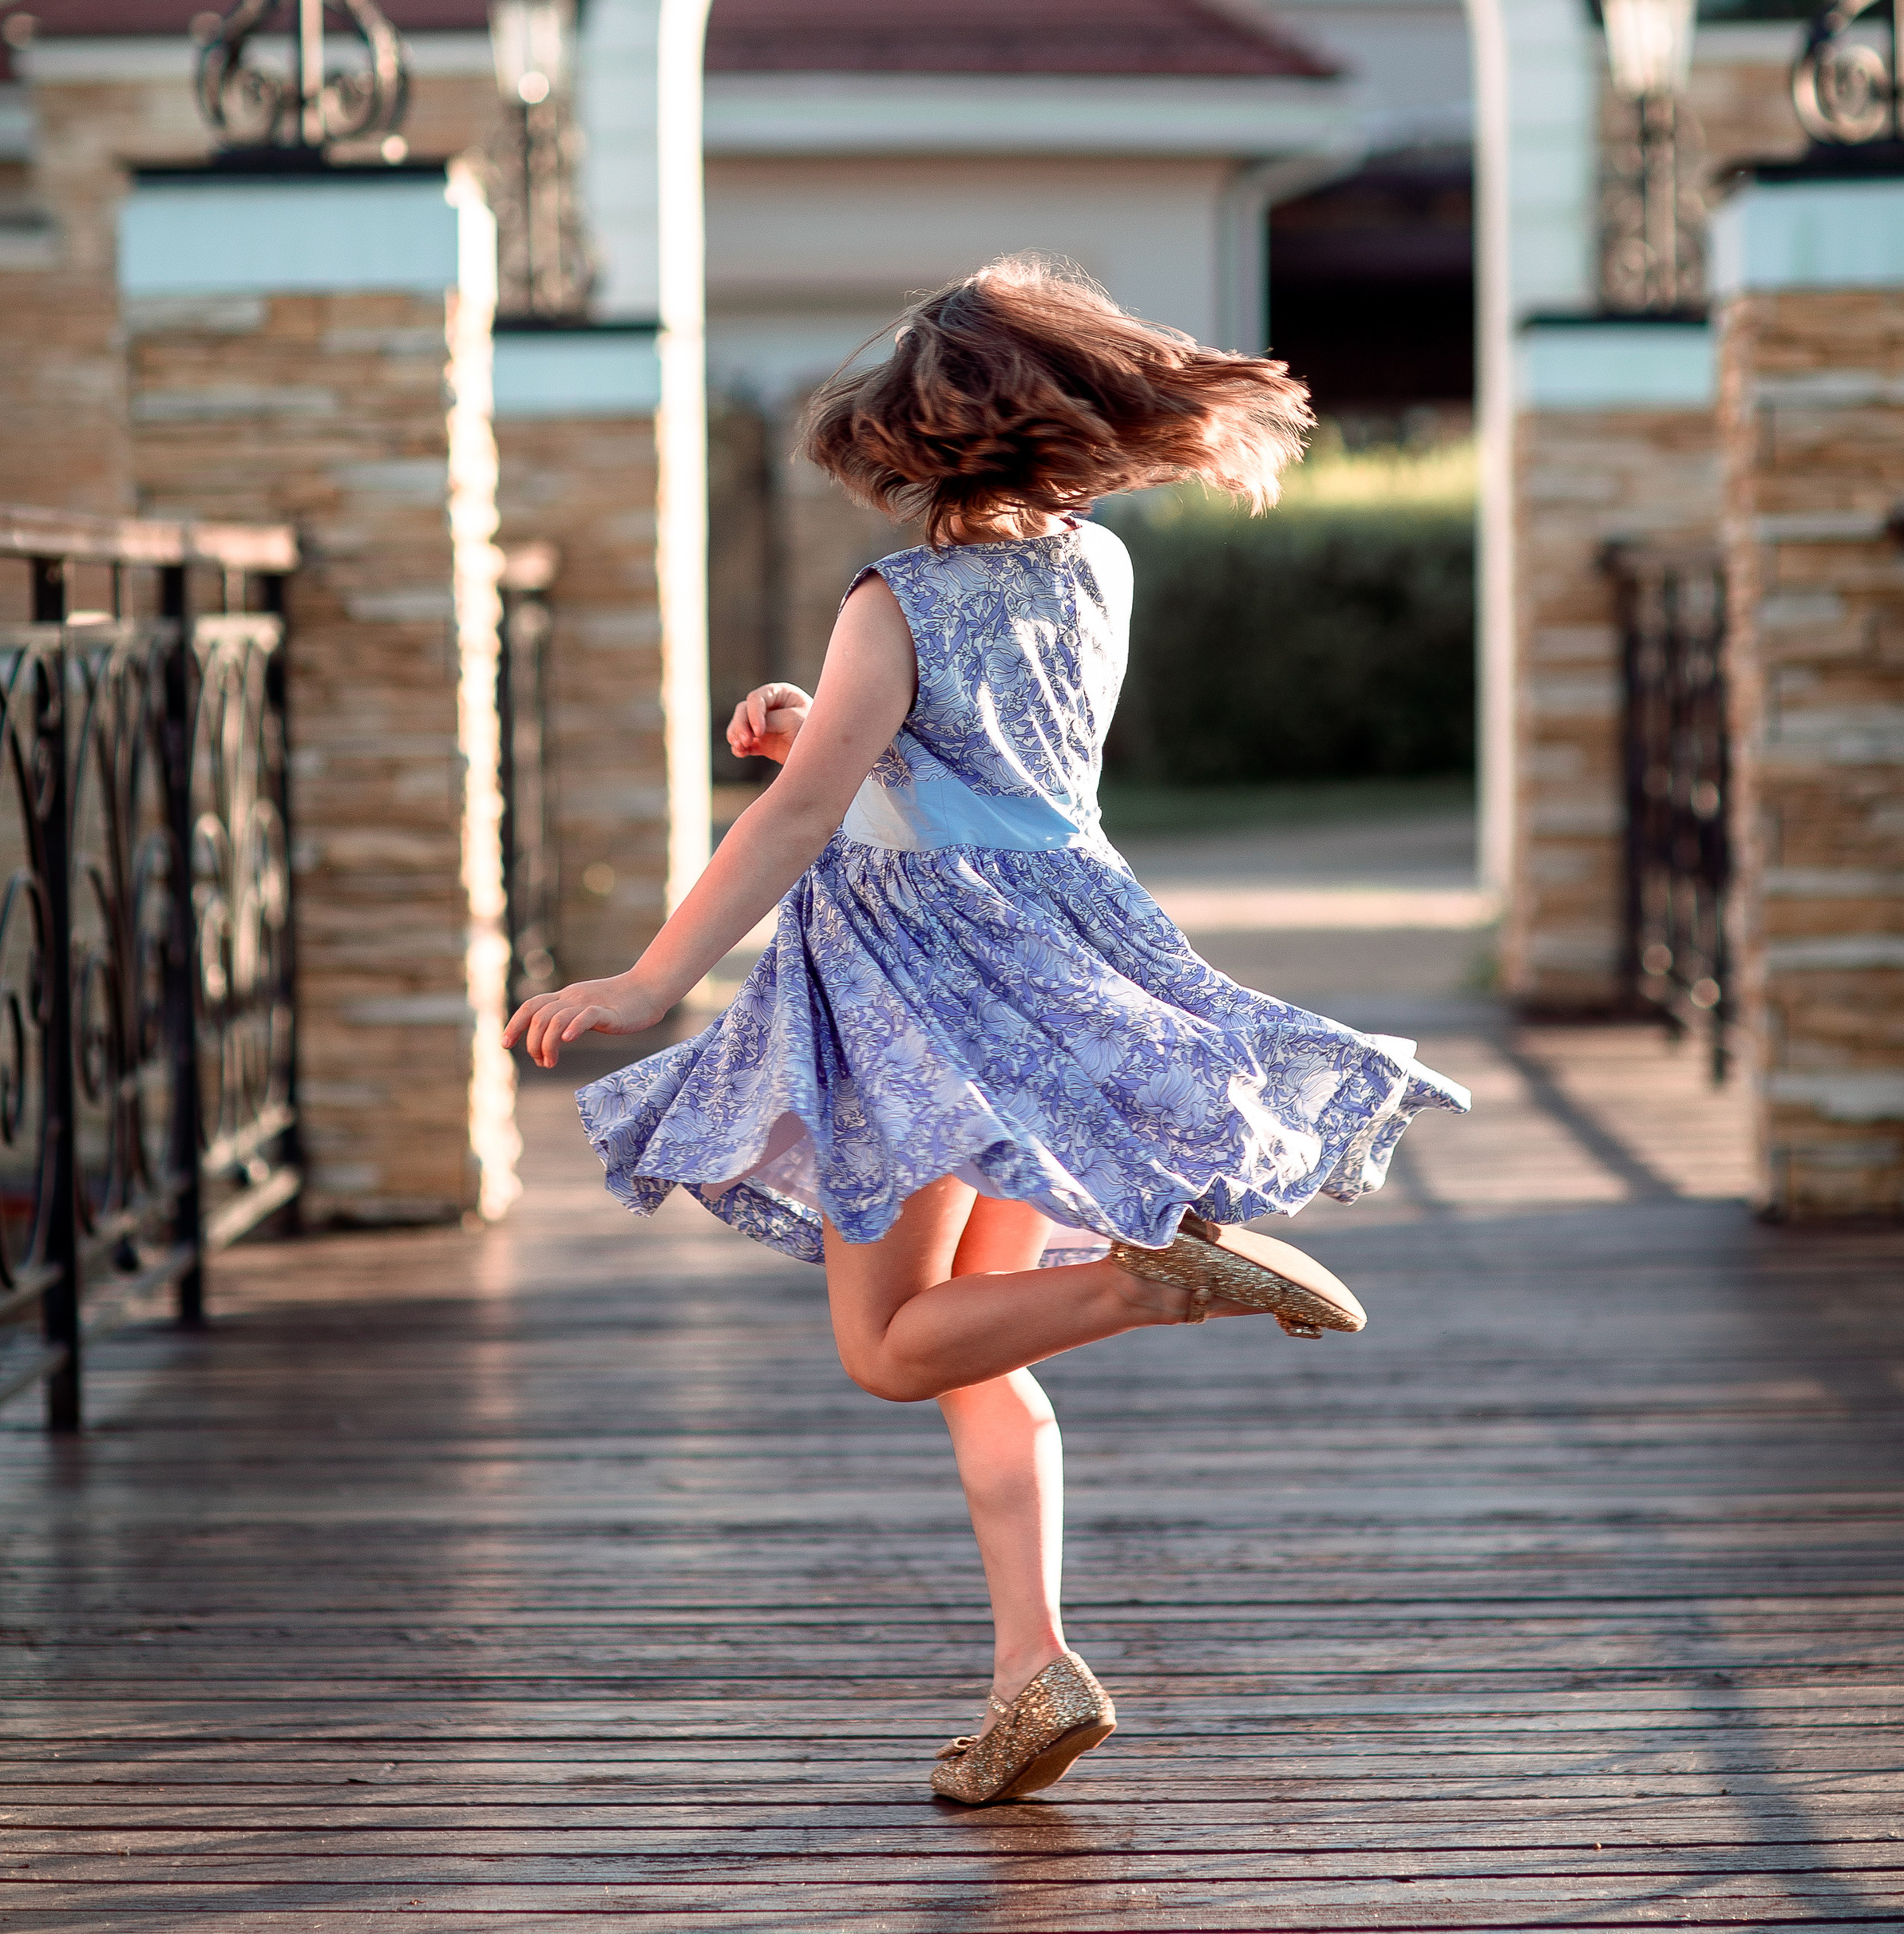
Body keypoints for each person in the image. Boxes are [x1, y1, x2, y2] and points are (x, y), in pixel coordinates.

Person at [505, 257, 1468, 1806]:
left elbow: (809, 814)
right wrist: (805, 717)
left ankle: (1149, 1288)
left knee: (889, 1349)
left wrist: (646, 979)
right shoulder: (1098, 576)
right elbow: (968, 773)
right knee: (971, 1351)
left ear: (914, 437)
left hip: (910, 995)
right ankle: (1032, 1670)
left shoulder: (893, 601)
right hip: (1055, 972)